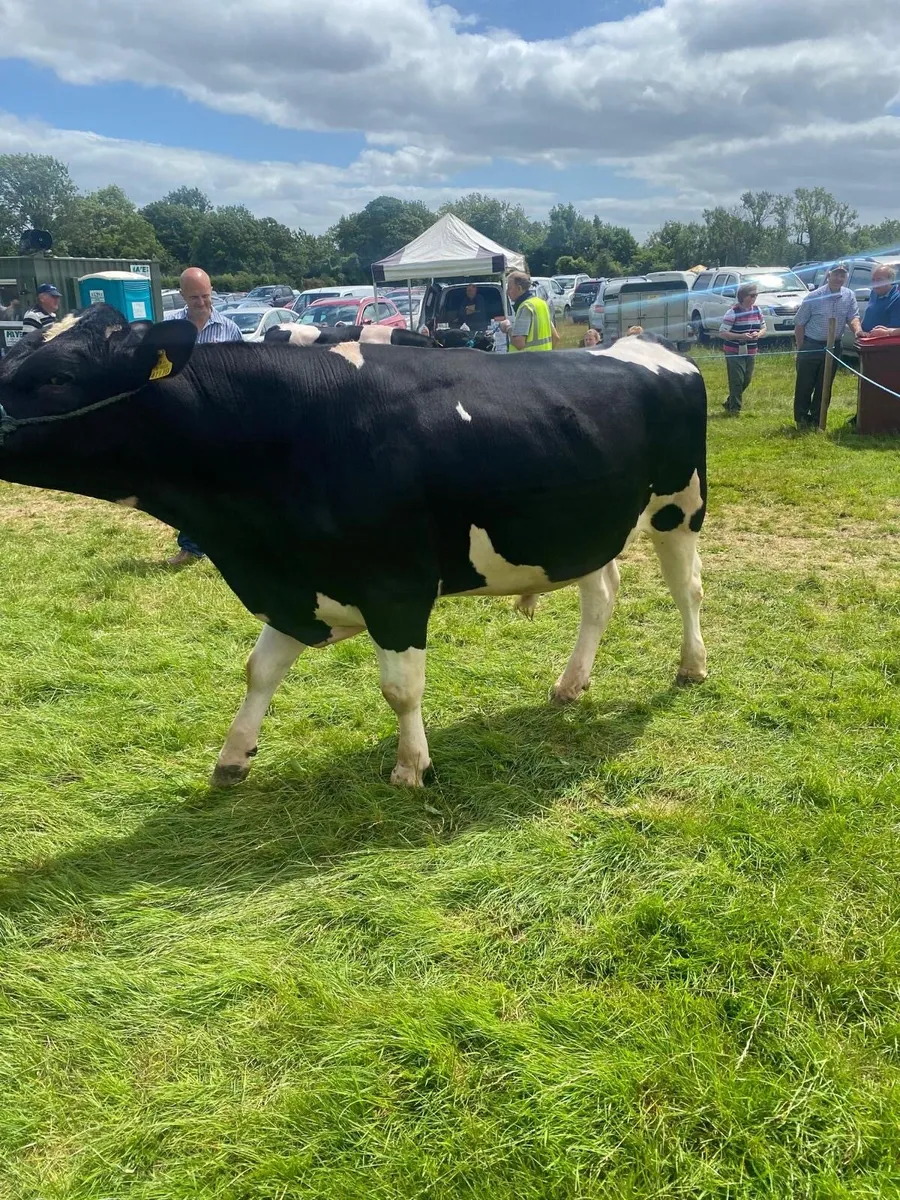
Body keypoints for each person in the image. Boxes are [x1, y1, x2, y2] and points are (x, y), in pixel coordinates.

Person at [165, 267, 243, 567]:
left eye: (206, 295)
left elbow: (242, 373)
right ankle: (190, 547)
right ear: (182, 295)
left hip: (220, 417)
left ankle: (231, 545)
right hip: (182, 418)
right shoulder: (169, 328)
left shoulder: (230, 328)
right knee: (188, 484)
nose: (201, 302)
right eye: (194, 296)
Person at [793, 264, 861, 429]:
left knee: (825, 385)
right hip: (811, 344)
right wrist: (802, 348)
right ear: (828, 275)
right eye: (836, 275)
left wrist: (858, 331)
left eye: (842, 275)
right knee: (805, 384)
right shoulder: (814, 296)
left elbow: (853, 317)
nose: (839, 278)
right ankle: (802, 419)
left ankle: (818, 419)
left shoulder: (848, 295)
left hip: (834, 347)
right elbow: (799, 323)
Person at [717, 282, 766, 415]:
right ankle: (735, 409)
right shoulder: (732, 312)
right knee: (737, 380)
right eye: (752, 295)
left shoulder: (757, 310)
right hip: (733, 351)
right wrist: (741, 336)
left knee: (746, 379)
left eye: (756, 295)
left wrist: (758, 334)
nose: (754, 298)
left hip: (751, 351)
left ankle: (729, 402)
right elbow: (722, 333)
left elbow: (763, 327)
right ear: (743, 297)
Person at [497, 272, 559, 353]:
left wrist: (507, 327)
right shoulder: (542, 304)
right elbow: (555, 338)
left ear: (519, 288)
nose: (507, 292)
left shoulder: (525, 307)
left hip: (526, 362)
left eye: (509, 288)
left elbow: (519, 343)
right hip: (543, 361)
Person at [860, 264, 900, 337]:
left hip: (884, 345)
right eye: (873, 280)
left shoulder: (897, 299)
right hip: (866, 342)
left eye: (879, 280)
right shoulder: (874, 293)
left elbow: (896, 328)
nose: (875, 283)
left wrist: (887, 332)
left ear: (890, 280)